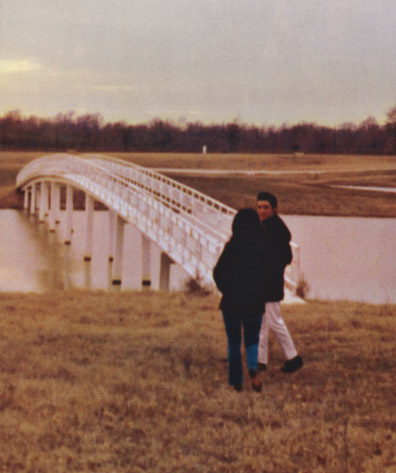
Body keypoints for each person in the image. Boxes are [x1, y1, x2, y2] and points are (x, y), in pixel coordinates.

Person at [213, 208, 272, 392]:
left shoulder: (231, 247)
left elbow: (217, 272)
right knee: (252, 340)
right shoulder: (262, 247)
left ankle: (236, 381)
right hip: (254, 302)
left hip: (231, 302)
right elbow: (268, 276)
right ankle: (253, 370)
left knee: (234, 343)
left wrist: (227, 289)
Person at [256, 192, 303, 374]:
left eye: (266, 207)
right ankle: (261, 360)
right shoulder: (262, 226)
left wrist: (269, 267)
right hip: (260, 281)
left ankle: (293, 358)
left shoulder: (278, 229)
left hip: (271, 283)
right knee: (259, 322)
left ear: (274, 208)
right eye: (259, 207)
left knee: (275, 322)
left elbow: (286, 256)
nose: (262, 210)